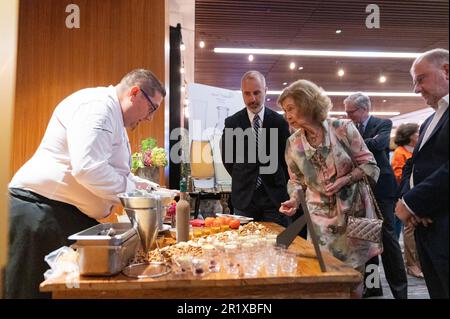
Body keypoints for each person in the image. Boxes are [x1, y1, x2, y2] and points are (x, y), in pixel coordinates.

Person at [4, 69, 166, 298]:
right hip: (39, 213)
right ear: (135, 93)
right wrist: (138, 196)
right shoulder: (97, 107)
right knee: (32, 292)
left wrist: (153, 190)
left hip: (58, 213)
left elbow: (118, 172)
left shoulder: (114, 116)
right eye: (152, 108)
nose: (150, 117)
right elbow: (89, 168)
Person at [277, 79, 381, 297]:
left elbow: (370, 166)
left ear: (307, 103)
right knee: (324, 277)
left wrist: (346, 180)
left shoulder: (342, 129)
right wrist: (294, 199)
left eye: (290, 108)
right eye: (284, 110)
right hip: (320, 223)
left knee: (354, 277)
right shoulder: (293, 144)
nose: (287, 115)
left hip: (354, 216)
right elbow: (296, 180)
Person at [344, 92, 408, 299]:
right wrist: (363, 142)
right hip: (359, 192)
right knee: (365, 242)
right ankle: (372, 287)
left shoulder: (383, 123)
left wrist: (353, 142)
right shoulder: (349, 127)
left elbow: (378, 145)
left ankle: (400, 292)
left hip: (382, 191)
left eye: (351, 112)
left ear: (364, 110)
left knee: (389, 242)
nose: (348, 116)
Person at [396, 48, 449, 299]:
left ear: (446, 71)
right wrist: (412, 202)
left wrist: (412, 202)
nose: (416, 89)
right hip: (427, 227)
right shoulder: (429, 121)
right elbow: (411, 166)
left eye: (420, 79)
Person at [221, 71, 291, 227]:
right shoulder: (233, 123)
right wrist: (245, 174)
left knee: (275, 244)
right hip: (244, 198)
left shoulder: (280, 123)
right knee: (245, 246)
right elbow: (228, 159)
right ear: (242, 94)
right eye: (247, 94)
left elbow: (287, 161)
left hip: (274, 197)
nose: (252, 99)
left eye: (257, 93)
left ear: (266, 90)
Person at [391, 123, 423, 279]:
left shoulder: (418, 150)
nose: (419, 135)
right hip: (407, 195)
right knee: (409, 229)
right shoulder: (400, 152)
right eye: (417, 133)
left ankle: (418, 262)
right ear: (410, 136)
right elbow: (399, 176)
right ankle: (411, 264)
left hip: (419, 193)